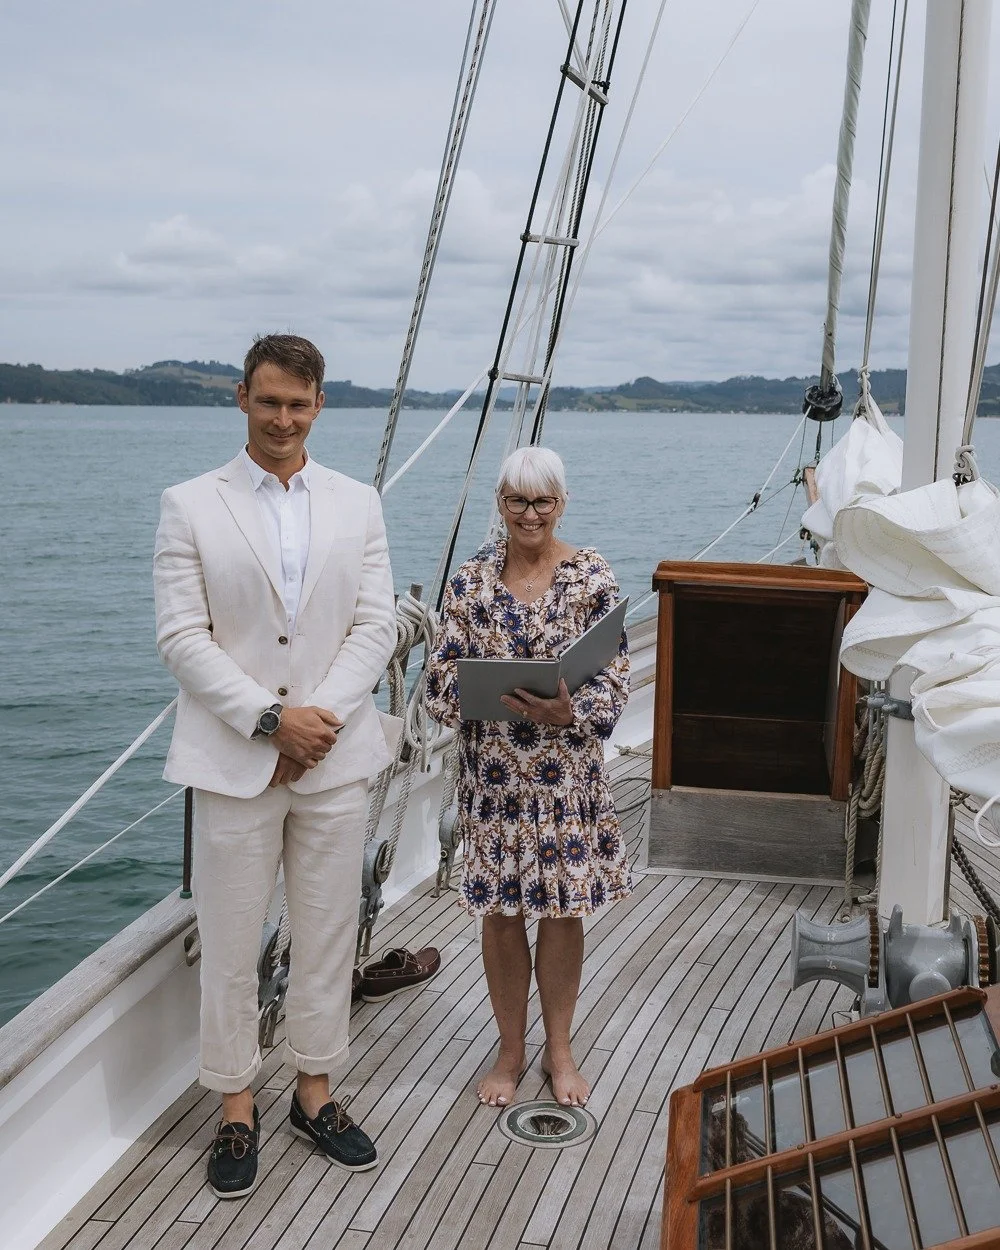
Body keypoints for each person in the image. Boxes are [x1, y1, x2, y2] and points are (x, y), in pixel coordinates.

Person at [153, 333, 398, 1198]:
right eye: (269, 402)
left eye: (298, 404)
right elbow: (181, 636)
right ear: (241, 400)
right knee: (228, 941)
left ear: (320, 405)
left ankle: (315, 1091)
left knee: (329, 935)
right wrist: (269, 722)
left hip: (331, 759)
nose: (284, 418)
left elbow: (377, 624)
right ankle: (233, 1107)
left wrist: (314, 726)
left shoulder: (357, 503)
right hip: (234, 761)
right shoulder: (190, 504)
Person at [425, 446, 631, 1108]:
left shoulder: (592, 576)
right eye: (517, 500)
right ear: (501, 504)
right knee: (504, 916)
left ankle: (560, 1050)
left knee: (564, 913)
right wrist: (475, 690)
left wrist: (575, 709)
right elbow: (434, 678)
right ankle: (511, 1052)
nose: (530, 514)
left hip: (567, 780)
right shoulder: (469, 582)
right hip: (493, 782)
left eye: (543, 501)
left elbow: (616, 676)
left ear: (562, 503)